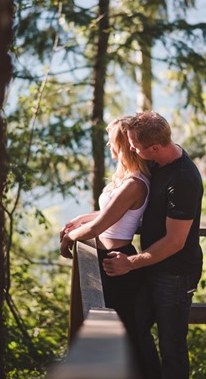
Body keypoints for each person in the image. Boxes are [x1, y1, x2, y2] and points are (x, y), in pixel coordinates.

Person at [102, 111, 204, 379]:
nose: (131, 149)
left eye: (134, 146)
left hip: (175, 273)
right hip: (152, 265)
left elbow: (174, 242)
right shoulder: (157, 162)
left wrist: (129, 263)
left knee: (171, 345)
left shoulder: (183, 180)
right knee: (136, 326)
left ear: (155, 147)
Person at [59, 116, 150, 358]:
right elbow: (111, 214)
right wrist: (81, 219)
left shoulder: (135, 184)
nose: (108, 145)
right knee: (104, 330)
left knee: (122, 332)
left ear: (121, 143)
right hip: (102, 257)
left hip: (117, 261)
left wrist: (70, 237)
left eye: (111, 140)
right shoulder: (124, 177)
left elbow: (97, 228)